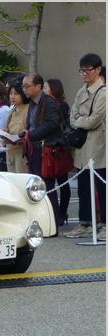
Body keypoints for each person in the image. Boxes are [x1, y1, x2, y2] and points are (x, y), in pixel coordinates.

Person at [65, 53, 106, 240]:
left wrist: (80, 120)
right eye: (82, 70)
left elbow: (93, 121)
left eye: (88, 70)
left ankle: (104, 225)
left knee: (102, 187)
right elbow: (72, 118)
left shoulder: (103, 92)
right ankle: (85, 223)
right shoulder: (81, 91)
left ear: (98, 70)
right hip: (82, 147)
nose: (84, 73)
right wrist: (81, 120)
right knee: (83, 187)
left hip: (98, 147)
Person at [22, 72, 63, 233]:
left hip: (45, 149)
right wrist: (25, 150)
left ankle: (52, 226)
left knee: (47, 188)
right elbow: (30, 126)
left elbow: (53, 124)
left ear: (38, 86)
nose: (24, 89)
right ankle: (39, 222)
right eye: (23, 86)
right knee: (35, 188)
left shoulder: (48, 101)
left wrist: (32, 135)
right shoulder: (32, 102)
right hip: (33, 149)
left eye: (27, 86)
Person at [44, 79, 71, 226]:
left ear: (53, 89)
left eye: (45, 87)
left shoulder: (62, 105)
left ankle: (62, 212)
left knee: (63, 183)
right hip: (47, 148)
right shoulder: (43, 105)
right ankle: (53, 213)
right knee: (49, 183)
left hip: (59, 148)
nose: (43, 90)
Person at [1, 82, 29, 174]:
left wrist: (16, 139)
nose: (12, 96)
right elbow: (9, 128)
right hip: (9, 152)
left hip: (21, 153)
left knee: (21, 182)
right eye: (11, 93)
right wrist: (5, 132)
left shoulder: (29, 110)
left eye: (16, 94)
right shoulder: (12, 110)